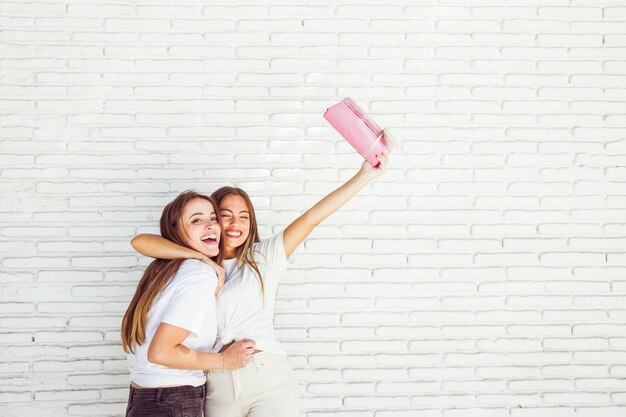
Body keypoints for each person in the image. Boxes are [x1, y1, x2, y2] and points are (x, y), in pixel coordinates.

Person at [131, 153, 389, 417]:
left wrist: (364, 176)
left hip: (265, 375)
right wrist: (200, 257)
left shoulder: (264, 256)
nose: (235, 224)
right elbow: (141, 242)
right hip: (215, 381)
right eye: (225, 215)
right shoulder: (196, 268)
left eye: (244, 217)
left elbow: (313, 217)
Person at [121, 191, 255, 417]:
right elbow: (162, 352)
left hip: (144, 399)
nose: (211, 225)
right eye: (197, 220)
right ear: (176, 230)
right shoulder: (200, 275)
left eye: (213, 218)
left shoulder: (162, 270)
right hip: (173, 401)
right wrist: (223, 360)